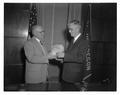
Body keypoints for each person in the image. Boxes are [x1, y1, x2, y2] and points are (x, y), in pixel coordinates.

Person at [57, 20, 89, 91]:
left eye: (71, 29)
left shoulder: (84, 41)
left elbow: (81, 58)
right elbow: (71, 55)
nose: (69, 31)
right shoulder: (72, 40)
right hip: (66, 75)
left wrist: (65, 56)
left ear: (78, 29)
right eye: (69, 29)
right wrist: (62, 59)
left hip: (73, 77)